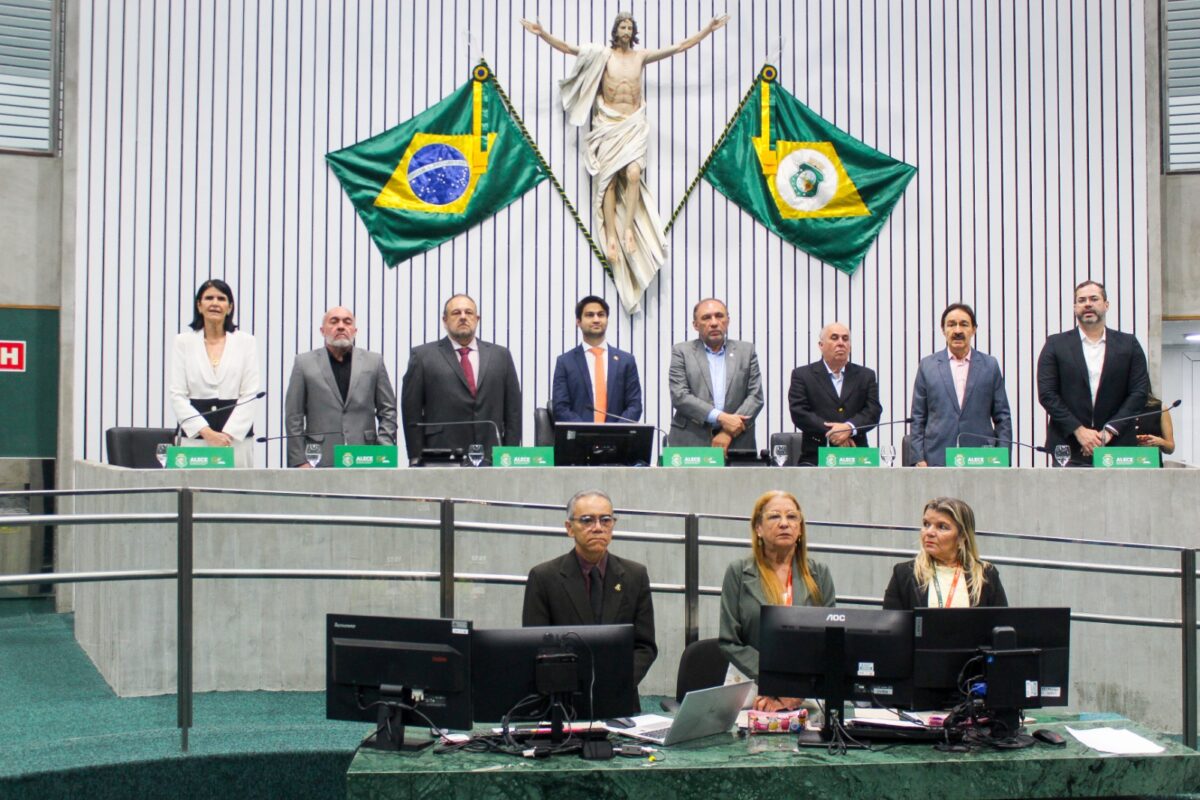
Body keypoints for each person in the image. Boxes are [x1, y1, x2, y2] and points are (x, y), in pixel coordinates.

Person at [520, 12, 728, 313]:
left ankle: (628, 228)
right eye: (622, 26)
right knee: (608, 180)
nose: (627, 31)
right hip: (607, 122)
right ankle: (612, 235)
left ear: (634, 32)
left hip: (632, 124)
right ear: (615, 31)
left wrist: (708, 29)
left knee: (632, 174)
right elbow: (568, 49)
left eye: (630, 27)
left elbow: (679, 47)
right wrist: (542, 34)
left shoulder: (641, 56)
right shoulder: (602, 55)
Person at [522, 490, 657, 684]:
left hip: (620, 692)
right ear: (569, 528)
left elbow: (645, 646)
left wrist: (616, 681)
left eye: (605, 520)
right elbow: (536, 646)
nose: (598, 528)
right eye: (587, 520)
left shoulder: (635, 575)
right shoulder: (544, 577)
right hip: (564, 696)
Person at [719, 491, 835, 711]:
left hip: (804, 690)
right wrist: (774, 682)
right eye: (774, 517)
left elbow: (829, 640)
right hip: (750, 686)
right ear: (758, 528)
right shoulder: (738, 573)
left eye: (792, 517)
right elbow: (729, 640)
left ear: (800, 528)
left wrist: (795, 689)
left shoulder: (820, 574)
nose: (784, 524)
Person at [1037, 280, 1150, 466]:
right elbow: (1047, 394)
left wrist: (1110, 431)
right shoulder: (1055, 345)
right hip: (1069, 445)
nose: (1087, 304)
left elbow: (1139, 393)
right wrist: (1080, 431)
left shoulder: (1129, 344)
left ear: (1106, 305)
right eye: (1081, 300)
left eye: (1094, 299)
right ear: (1075, 307)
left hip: (1117, 444)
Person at [400, 294, 522, 464]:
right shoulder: (422, 356)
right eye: (456, 313)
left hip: (492, 455)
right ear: (444, 320)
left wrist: (511, 454)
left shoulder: (501, 356)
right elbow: (411, 411)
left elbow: (513, 411)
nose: (463, 317)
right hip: (440, 454)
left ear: (477, 319)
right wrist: (415, 457)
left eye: (469, 313)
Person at [283, 306, 397, 468]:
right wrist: (300, 460)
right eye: (334, 321)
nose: (341, 326)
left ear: (355, 331)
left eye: (347, 322)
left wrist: (383, 449)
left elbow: (388, 410)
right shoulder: (304, 363)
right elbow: (294, 415)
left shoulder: (374, 362)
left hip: (365, 456)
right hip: (319, 458)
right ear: (322, 330)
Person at [169, 279, 261, 468]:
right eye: (209, 298)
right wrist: (207, 433)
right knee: (193, 495)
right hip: (196, 439)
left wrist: (226, 435)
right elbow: (177, 394)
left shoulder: (246, 342)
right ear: (199, 305)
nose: (215, 303)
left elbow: (250, 394)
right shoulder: (183, 342)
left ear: (230, 307)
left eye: (221, 298)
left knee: (235, 495)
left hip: (234, 440)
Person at [909, 303, 1013, 466]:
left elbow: (1002, 417)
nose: (957, 330)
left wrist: (1003, 458)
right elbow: (918, 418)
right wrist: (918, 458)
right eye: (951, 324)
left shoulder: (990, 366)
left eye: (964, 324)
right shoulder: (927, 366)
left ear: (974, 329)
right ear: (943, 330)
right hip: (936, 458)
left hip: (980, 458)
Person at [667, 298, 764, 453]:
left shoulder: (746, 351)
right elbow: (680, 396)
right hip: (691, 441)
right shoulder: (681, 352)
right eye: (706, 318)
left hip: (737, 441)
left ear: (728, 320)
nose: (714, 322)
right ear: (695, 325)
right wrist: (721, 417)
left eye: (719, 316)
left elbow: (755, 397)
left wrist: (728, 431)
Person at [882, 497, 1007, 610]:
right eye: (926, 524)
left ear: (962, 536)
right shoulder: (904, 574)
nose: (929, 532)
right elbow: (890, 628)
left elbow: (1003, 627)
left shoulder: (986, 575)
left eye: (942, 527)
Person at [787, 323, 882, 465]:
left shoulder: (865, 375)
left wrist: (849, 428)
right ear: (821, 345)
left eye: (845, 339)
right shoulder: (802, 375)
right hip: (816, 455)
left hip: (857, 454)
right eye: (834, 338)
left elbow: (873, 411)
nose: (841, 343)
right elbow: (799, 413)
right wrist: (834, 432)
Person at [551, 295, 643, 423]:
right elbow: (560, 408)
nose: (596, 319)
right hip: (579, 439)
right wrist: (587, 433)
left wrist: (614, 432)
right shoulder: (565, 362)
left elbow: (635, 405)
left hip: (618, 438)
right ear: (578, 322)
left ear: (607, 319)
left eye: (601, 315)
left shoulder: (626, 361)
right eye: (589, 315)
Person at [1135, 392, 1176, 462]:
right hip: (1122, 462)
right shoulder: (1118, 407)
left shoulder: (1160, 407)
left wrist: (1160, 442)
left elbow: (1170, 448)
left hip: (1151, 464)